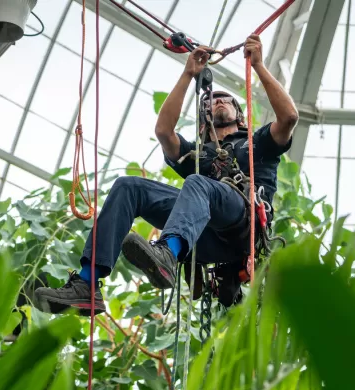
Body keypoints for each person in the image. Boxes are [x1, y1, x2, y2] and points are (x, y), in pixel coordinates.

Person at [34, 34, 299, 315]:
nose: (218, 102)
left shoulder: (258, 143)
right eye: (211, 101)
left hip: (242, 226)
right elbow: (163, 132)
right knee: (128, 187)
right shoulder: (197, 156)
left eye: (226, 101)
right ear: (203, 120)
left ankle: (167, 254)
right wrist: (188, 74)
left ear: (240, 114)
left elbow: (289, 118)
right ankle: (87, 285)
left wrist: (258, 65)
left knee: (198, 184)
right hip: (203, 239)